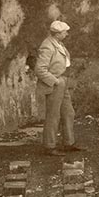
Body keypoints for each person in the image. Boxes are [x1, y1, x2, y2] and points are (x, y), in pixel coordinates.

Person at [35, 19, 82, 153]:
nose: (67, 34)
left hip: (62, 81)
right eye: (65, 32)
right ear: (57, 34)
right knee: (53, 115)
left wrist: (62, 81)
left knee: (68, 112)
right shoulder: (47, 46)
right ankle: (49, 146)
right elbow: (39, 69)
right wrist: (55, 81)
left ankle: (69, 143)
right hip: (55, 84)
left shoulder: (57, 43)